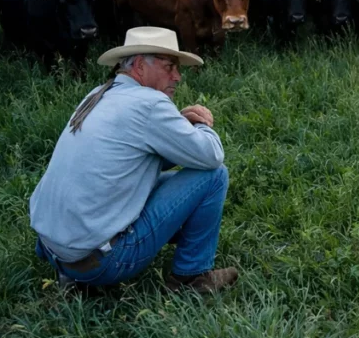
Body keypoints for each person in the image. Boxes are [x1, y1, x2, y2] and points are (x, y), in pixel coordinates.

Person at [30, 26, 238, 293]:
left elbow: (130, 159)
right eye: (169, 66)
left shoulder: (97, 94)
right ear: (140, 66)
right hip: (103, 263)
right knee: (214, 176)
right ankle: (191, 278)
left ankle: (74, 273)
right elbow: (211, 156)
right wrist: (202, 124)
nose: (177, 76)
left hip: (55, 250)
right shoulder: (150, 103)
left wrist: (178, 130)